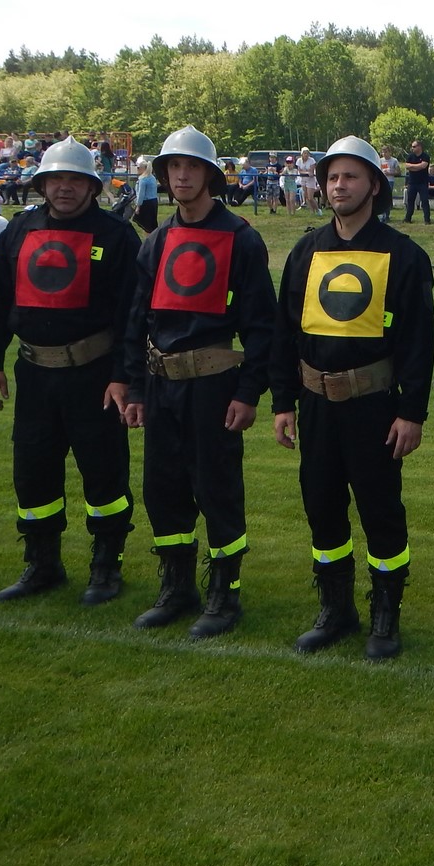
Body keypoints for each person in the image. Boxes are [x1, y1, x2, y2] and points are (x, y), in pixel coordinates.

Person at [273, 136, 434, 659]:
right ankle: (335, 608)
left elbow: (418, 342)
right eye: (332, 177)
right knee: (322, 507)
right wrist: (283, 402)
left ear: (374, 186)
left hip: (374, 408)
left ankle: (386, 614)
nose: (339, 186)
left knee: (380, 509)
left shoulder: (403, 255)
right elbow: (285, 332)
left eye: (351, 176)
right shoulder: (306, 251)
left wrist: (411, 412)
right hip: (316, 405)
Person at [122, 126, 276, 639]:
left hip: (213, 387)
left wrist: (248, 392)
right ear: (164, 175)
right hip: (160, 386)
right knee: (162, 489)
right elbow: (137, 321)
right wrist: (136, 388)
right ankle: (177, 587)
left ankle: (225, 593)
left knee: (217, 488)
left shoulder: (241, 239)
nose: (182, 175)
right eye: (174, 167)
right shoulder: (157, 241)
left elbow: (261, 326)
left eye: (192, 167)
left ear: (209, 175)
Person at [0, 137, 141, 605]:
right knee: (33, 473)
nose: (64, 187)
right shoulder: (19, 230)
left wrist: (122, 376)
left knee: (104, 474)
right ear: (42, 184)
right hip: (33, 374)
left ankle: (106, 566)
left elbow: (131, 317)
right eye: (55, 179)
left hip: (95, 376)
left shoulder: (116, 236)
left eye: (74, 179)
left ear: (91, 186)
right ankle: (41, 564)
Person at [402, 139, 433, 225]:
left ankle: (427, 220)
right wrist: (417, 166)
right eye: (412, 147)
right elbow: (407, 166)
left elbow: (423, 166)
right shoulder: (410, 156)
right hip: (412, 182)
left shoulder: (425, 156)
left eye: (414, 146)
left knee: (424, 201)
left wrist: (413, 167)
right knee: (410, 201)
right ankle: (408, 219)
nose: (412, 148)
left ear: (419, 147)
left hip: (422, 182)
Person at [132, 156, 159, 233]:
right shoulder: (152, 178)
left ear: (143, 169)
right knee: (152, 224)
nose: (137, 169)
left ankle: (149, 239)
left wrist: (138, 206)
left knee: (145, 225)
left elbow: (141, 194)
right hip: (154, 202)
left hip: (146, 203)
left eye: (138, 167)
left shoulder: (143, 179)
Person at [297, 146, 321, 216]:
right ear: (302, 154)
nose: (306, 155)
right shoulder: (299, 161)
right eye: (304, 153)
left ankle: (318, 210)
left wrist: (306, 172)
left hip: (310, 180)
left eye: (307, 153)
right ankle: (312, 211)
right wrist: (306, 172)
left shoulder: (312, 160)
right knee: (306, 196)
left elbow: (311, 171)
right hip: (303, 179)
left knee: (310, 197)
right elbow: (300, 171)